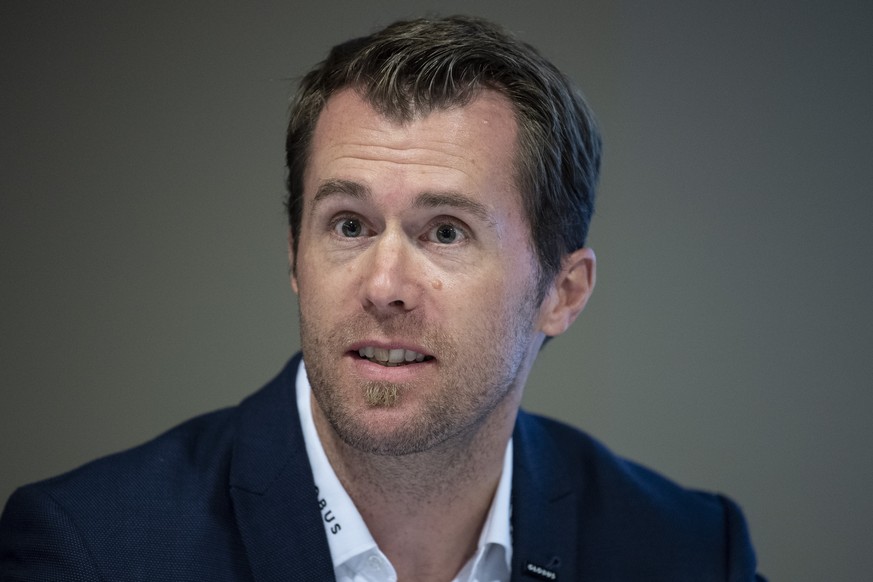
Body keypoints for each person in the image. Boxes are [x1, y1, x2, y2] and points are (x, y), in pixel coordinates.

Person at [0, 15, 764, 582]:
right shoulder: (93, 550)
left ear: (561, 294)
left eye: (446, 233)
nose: (384, 286)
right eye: (348, 224)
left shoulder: (689, 552)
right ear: (295, 259)